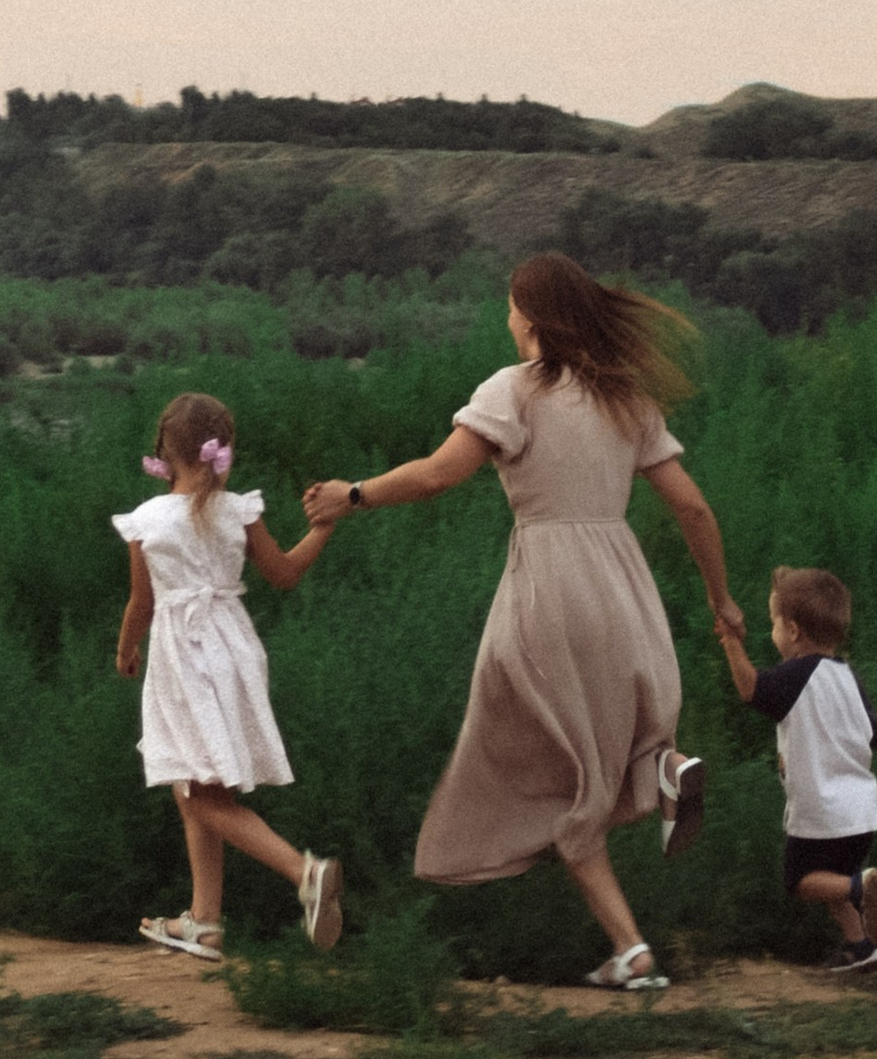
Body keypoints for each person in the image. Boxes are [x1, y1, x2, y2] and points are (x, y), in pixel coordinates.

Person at [303, 252, 739, 994]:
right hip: (623, 585)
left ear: (530, 319)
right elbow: (693, 507)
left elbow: (439, 473)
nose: (506, 320)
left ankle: (615, 819)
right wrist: (721, 599)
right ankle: (634, 928)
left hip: (547, 588)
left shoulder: (514, 392)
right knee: (587, 763)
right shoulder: (625, 400)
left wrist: (354, 494)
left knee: (521, 738)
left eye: (510, 308)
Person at [114, 388, 344, 967]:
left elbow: (141, 602)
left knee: (195, 785)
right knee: (196, 782)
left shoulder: (149, 520)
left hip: (181, 652)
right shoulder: (239, 511)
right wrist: (325, 527)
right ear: (223, 451)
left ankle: (305, 872)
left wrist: (125, 649)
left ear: (164, 452)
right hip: (235, 648)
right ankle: (206, 922)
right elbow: (285, 574)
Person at [717, 565, 877, 975]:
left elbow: (750, 689)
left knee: (801, 880)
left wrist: (730, 642)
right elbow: (876, 734)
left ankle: (860, 886)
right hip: (861, 808)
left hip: (821, 808)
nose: (773, 633)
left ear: (794, 631)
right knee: (832, 879)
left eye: (774, 624)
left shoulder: (796, 674)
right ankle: (861, 946)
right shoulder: (848, 677)